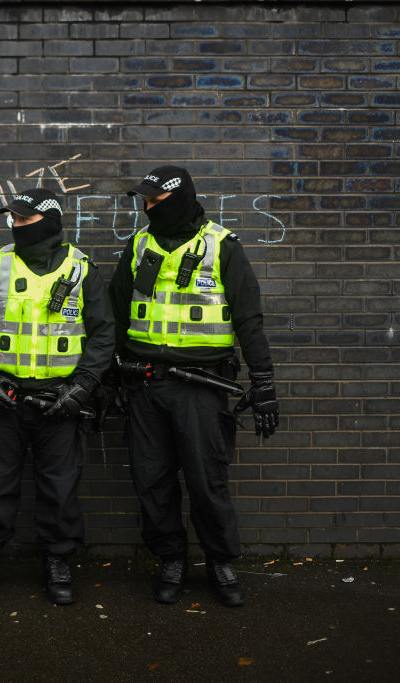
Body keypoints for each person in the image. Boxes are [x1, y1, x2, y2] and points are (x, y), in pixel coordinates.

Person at [108, 165, 279, 607]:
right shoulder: (138, 245)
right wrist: (108, 379)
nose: (147, 207)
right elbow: (113, 314)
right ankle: (171, 560)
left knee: (207, 481)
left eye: (155, 200)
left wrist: (264, 383)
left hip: (201, 387)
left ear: (179, 198)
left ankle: (220, 563)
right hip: (144, 385)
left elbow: (249, 320)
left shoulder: (222, 245)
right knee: (153, 481)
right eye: (144, 201)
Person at [0, 187, 115, 606]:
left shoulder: (83, 271)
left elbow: (102, 336)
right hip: (2, 398)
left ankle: (58, 561)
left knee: (60, 490)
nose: (16, 226)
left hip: (60, 403)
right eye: (14, 220)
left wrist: (81, 390)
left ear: (49, 220)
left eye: (24, 220)